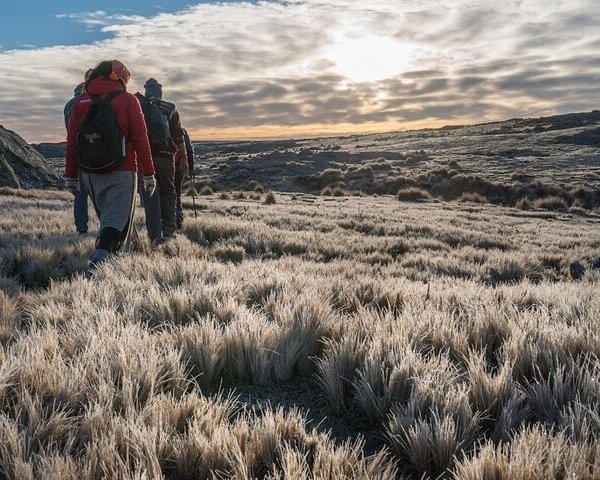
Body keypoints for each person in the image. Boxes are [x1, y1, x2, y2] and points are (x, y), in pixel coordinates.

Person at [64, 60, 156, 269]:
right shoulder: (128, 100)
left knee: (108, 220)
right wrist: (149, 173)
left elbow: (72, 142)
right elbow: (141, 139)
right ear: (122, 79)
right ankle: (100, 261)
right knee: (115, 222)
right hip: (121, 171)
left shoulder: (81, 102)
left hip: (89, 173)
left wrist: (71, 176)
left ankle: (113, 264)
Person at [137, 78, 186, 245]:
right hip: (165, 157)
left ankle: (155, 236)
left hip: (144, 158)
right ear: (160, 91)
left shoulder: (139, 106)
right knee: (169, 192)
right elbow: (179, 136)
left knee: (150, 195)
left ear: (146, 91)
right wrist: (184, 158)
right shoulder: (169, 108)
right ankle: (169, 232)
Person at [64, 75, 91, 234]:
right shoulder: (86, 102)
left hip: (76, 150)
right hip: (93, 149)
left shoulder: (68, 105)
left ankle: (81, 227)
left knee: (80, 193)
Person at [175, 128, 195, 229]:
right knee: (177, 193)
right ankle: (178, 219)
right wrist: (191, 166)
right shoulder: (181, 130)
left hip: (169, 165)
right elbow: (189, 150)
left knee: (167, 193)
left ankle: (170, 219)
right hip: (178, 166)